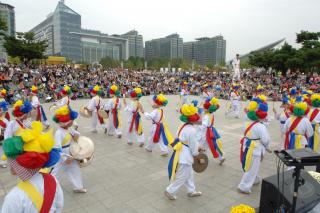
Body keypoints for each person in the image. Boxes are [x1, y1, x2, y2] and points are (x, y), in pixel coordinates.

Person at [1, 121, 63, 213]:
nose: (10, 166)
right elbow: (59, 207)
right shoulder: (52, 179)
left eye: (12, 162)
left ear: (20, 165)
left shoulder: (14, 197)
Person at [165, 104, 202, 200]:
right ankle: (170, 191)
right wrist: (197, 154)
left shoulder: (183, 125)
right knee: (182, 176)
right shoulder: (192, 130)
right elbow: (193, 146)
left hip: (180, 151)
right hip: (185, 156)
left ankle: (191, 190)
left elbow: (182, 139)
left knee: (189, 174)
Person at [51, 105, 87, 193]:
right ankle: (48, 187)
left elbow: (75, 133)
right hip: (62, 155)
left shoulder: (68, 129)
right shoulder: (58, 133)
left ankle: (78, 187)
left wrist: (77, 135)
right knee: (56, 172)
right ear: (65, 122)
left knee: (74, 170)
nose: (73, 122)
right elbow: (56, 148)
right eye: (71, 120)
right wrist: (65, 158)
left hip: (71, 153)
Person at [238, 98, 271, 194]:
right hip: (255, 148)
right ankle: (243, 187)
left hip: (247, 145)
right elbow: (266, 140)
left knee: (251, 165)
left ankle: (255, 179)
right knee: (252, 167)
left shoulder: (247, 121)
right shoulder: (261, 126)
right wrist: (267, 146)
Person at [198, 97, 225, 165]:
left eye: (204, 108)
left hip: (205, 133)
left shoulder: (206, 116)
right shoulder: (211, 114)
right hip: (210, 131)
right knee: (211, 145)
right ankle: (220, 157)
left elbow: (203, 126)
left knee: (201, 146)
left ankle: (202, 160)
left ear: (207, 109)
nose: (203, 109)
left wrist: (198, 125)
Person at [0, 100, 9, 168]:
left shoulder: (4, 119)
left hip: (2, 137)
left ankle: (2, 161)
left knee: (2, 149)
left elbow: (8, 126)